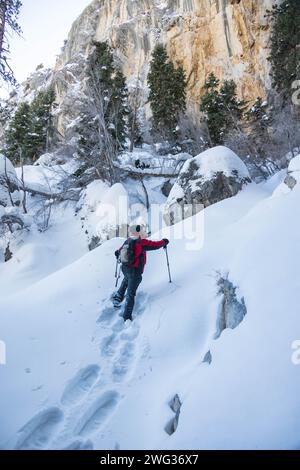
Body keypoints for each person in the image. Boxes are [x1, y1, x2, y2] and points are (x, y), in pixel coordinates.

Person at [113, 225, 169, 322]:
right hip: (135, 272)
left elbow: (118, 252)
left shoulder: (127, 241)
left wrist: (118, 253)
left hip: (125, 269)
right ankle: (126, 317)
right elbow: (155, 245)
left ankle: (118, 297)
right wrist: (164, 242)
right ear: (138, 232)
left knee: (126, 280)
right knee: (131, 294)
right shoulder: (141, 242)